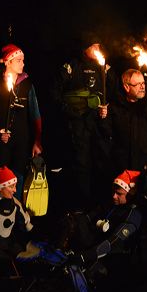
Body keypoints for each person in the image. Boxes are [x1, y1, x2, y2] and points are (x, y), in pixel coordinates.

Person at [52, 32, 117, 208]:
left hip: (98, 122)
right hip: (78, 123)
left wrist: (106, 107)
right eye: (93, 46)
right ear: (85, 49)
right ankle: (82, 202)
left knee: (101, 158)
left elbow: (113, 90)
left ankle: (102, 200)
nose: (97, 50)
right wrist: (69, 110)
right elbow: (56, 93)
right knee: (81, 162)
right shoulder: (71, 66)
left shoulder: (103, 68)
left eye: (98, 46)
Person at [99, 68, 147, 227]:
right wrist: (103, 118)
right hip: (126, 167)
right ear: (126, 87)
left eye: (143, 83)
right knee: (125, 207)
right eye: (137, 84)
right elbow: (106, 134)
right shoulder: (115, 107)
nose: (142, 87)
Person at [0, 43, 43, 197]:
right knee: (2, 179)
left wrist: (37, 141)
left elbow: (36, 115)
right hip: (3, 142)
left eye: (23, 60)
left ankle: (17, 208)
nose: (23, 63)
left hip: (22, 140)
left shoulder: (27, 86)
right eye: (19, 60)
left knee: (19, 176)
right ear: (8, 62)